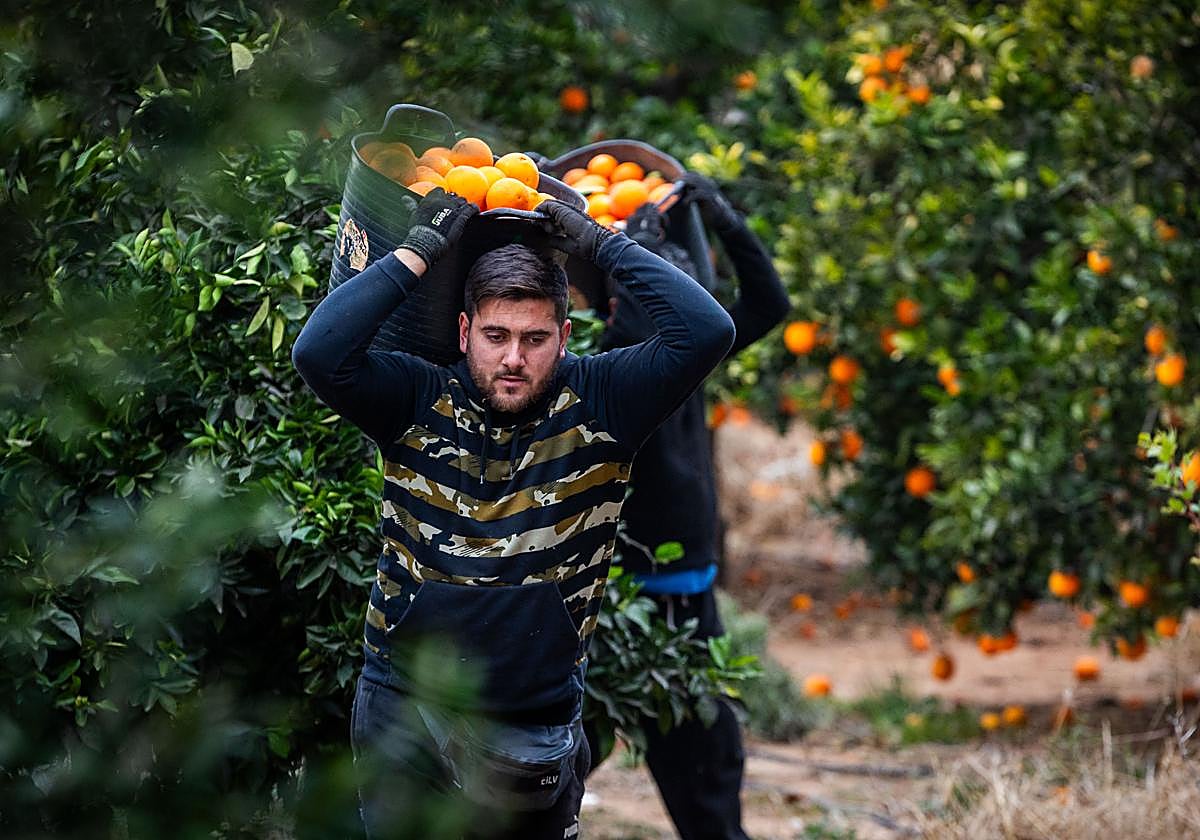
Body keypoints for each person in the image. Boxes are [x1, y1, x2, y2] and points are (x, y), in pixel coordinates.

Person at [291, 187, 735, 839]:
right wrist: (420, 249)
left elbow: (709, 331)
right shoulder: (416, 397)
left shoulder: (605, 402)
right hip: (405, 708)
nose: (513, 359)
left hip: (533, 717)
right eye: (495, 336)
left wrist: (600, 243)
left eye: (534, 339)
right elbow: (318, 352)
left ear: (564, 335)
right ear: (466, 331)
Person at [586, 173, 790, 840]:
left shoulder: (690, 359)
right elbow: (631, 338)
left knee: (708, 768)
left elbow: (767, 303)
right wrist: (633, 255)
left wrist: (729, 225)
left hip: (685, 592)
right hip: (617, 600)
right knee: (557, 763)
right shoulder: (609, 371)